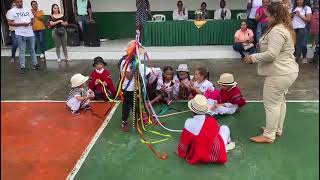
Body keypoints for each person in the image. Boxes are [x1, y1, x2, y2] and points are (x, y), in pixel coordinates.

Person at [243, 2, 299, 143]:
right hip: (286, 71)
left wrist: (252, 57)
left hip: (279, 73)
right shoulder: (283, 28)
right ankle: (276, 129)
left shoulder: (277, 31)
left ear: (275, 15)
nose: (266, 18)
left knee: (271, 104)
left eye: (268, 16)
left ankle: (269, 135)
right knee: (279, 102)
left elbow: (272, 54)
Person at [176, 94, 235, 165]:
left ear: (192, 110)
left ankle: (226, 145)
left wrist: (181, 152)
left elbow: (184, 141)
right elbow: (215, 133)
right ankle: (228, 142)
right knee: (225, 128)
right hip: (217, 153)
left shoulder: (188, 122)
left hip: (199, 154)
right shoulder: (212, 120)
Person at [120, 40, 149, 132]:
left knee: (136, 104)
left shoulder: (135, 60)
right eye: (137, 52)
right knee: (127, 106)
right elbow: (128, 77)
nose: (138, 55)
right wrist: (134, 68)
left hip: (136, 87)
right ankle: (124, 121)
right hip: (127, 88)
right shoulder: (125, 62)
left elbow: (141, 73)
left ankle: (138, 118)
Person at [6, 0, 41, 74]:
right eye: (18, 2)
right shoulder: (12, 11)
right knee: (22, 50)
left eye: (21, 1)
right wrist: (21, 24)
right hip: (20, 33)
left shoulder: (27, 9)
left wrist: (32, 22)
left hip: (30, 33)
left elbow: (32, 19)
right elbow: (9, 22)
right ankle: (23, 67)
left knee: (32, 49)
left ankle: (35, 64)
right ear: (15, 3)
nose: (20, 3)